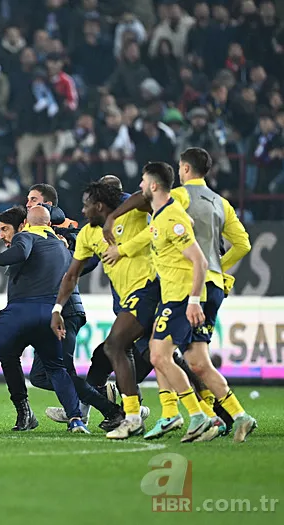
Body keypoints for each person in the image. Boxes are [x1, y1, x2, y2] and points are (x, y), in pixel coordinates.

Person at [105, 149, 256, 443]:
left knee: (159, 353)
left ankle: (183, 414)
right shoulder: (220, 202)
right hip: (212, 283)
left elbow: (155, 220)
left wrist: (115, 223)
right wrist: (218, 267)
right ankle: (235, 415)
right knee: (196, 360)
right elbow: (243, 244)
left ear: (184, 169)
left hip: (184, 287)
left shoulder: (179, 199)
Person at [0, 206, 89, 435]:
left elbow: (20, 253)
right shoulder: (61, 247)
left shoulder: (25, 237)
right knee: (57, 369)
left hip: (19, 312)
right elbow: (79, 269)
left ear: (26, 223)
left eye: (4, 229)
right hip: (49, 314)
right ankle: (75, 418)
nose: (2, 235)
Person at [51, 180, 159, 439]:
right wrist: (57, 308)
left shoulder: (133, 215)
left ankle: (131, 414)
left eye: (86, 206)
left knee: (116, 348)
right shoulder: (88, 234)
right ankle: (218, 412)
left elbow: (147, 195)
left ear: (99, 205)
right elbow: (72, 275)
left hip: (151, 289)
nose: (83, 211)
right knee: (159, 356)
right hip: (128, 300)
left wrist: (113, 218)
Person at [136, 161, 213, 443]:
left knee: (159, 357)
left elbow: (200, 261)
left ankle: (197, 415)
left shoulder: (170, 218)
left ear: (154, 185)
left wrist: (193, 301)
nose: (141, 186)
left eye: (144, 182)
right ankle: (188, 415)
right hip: (171, 298)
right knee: (160, 357)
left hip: (182, 298)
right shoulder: (163, 216)